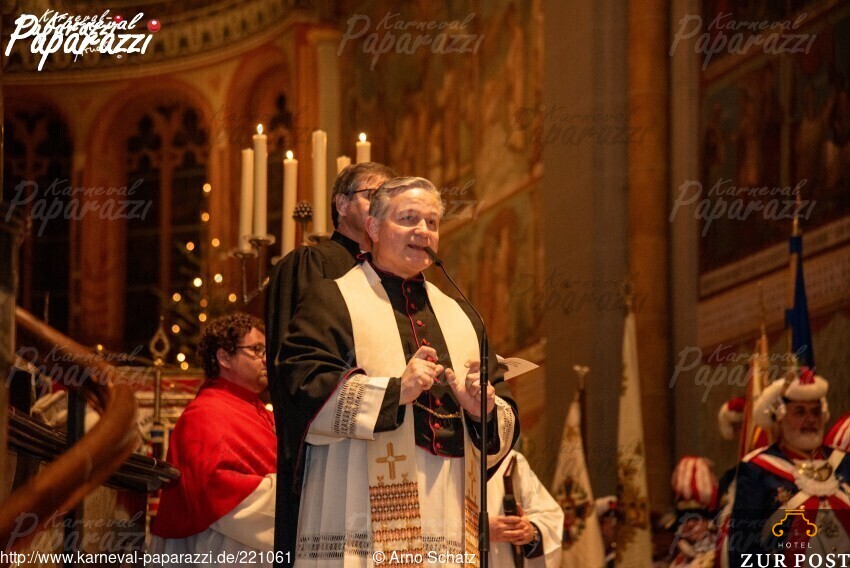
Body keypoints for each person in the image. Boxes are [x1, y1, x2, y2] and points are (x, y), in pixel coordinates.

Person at [282, 177, 520, 566]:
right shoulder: (333, 299)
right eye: (408, 218)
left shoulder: (462, 315)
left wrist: (484, 410)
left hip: (447, 506)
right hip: (359, 502)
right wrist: (394, 392)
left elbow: (504, 409)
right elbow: (302, 387)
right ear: (373, 228)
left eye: (432, 222)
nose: (423, 231)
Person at [265, 161, 397, 563]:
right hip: (328, 443)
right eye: (373, 195)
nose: (384, 205)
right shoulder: (313, 263)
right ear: (341, 204)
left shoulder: (393, 276)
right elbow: (300, 367)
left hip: (386, 439)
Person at [150, 314, 276, 566]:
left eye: (266, 350)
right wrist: (286, 494)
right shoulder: (204, 414)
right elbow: (212, 490)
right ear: (224, 357)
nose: (266, 359)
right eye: (256, 349)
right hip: (219, 549)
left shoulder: (260, 411)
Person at [728, 371, 850, 567]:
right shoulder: (757, 470)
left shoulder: (844, 462)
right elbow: (743, 552)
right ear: (780, 416)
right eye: (800, 412)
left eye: (816, 412)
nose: (810, 419)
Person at [487, 450, 563, 568]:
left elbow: (551, 516)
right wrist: (480, 528)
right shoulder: (454, 460)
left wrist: (530, 530)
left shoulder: (509, 458)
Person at [667, 457, 718, 567]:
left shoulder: (718, 556)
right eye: (684, 518)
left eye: (696, 518)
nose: (690, 524)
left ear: (708, 521)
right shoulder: (678, 560)